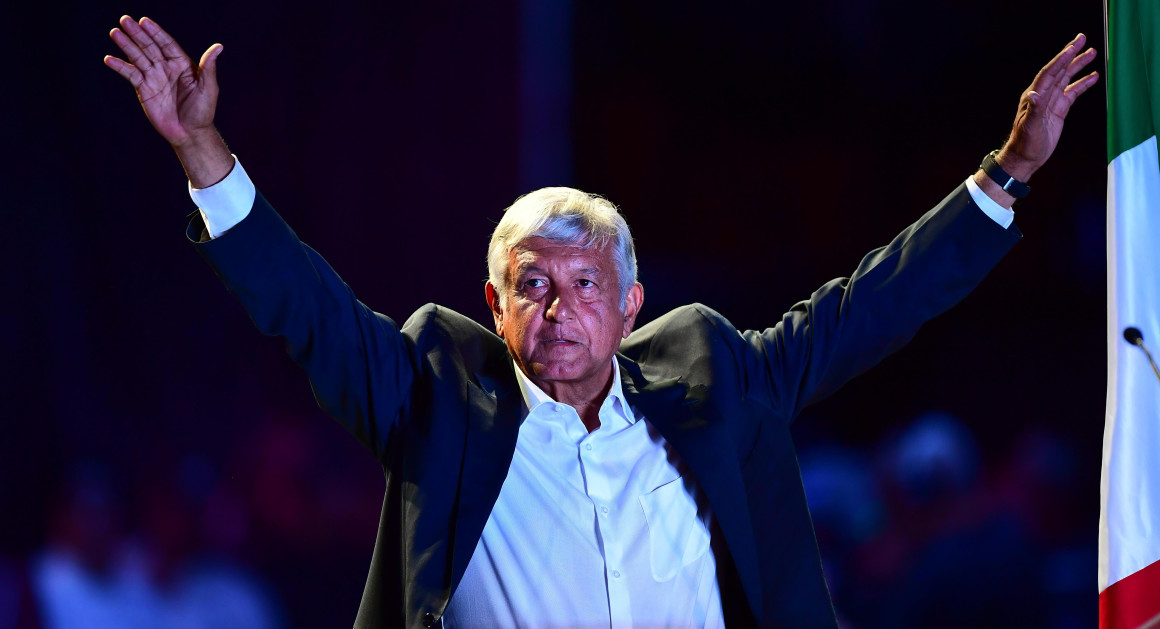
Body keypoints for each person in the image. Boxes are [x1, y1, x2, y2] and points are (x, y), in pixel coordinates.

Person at [104, 14, 1098, 629]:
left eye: (585, 283)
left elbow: (867, 308)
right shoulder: (436, 394)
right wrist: (203, 153)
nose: (558, 305)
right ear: (494, 306)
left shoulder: (713, 376)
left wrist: (1007, 171)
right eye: (531, 282)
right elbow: (306, 310)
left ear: (630, 306)